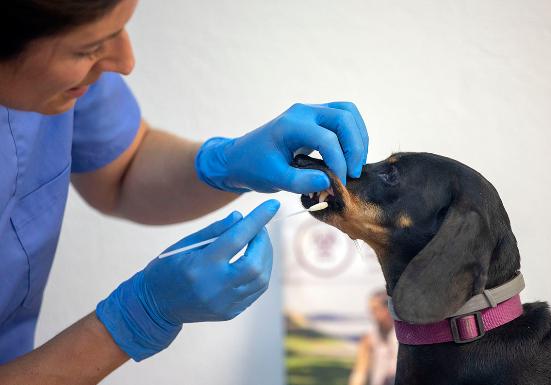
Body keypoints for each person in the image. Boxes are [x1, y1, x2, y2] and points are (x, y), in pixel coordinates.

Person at [0, 0, 368, 382]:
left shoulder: (64, 64)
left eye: (119, 31)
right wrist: (137, 317)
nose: (125, 62)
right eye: (89, 48)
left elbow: (122, 170)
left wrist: (226, 163)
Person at [348, 290, 398, 385]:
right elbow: (360, 372)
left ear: (388, 309)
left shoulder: (403, 337)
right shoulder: (368, 340)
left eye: (375, 309)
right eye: (371, 310)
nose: (372, 314)